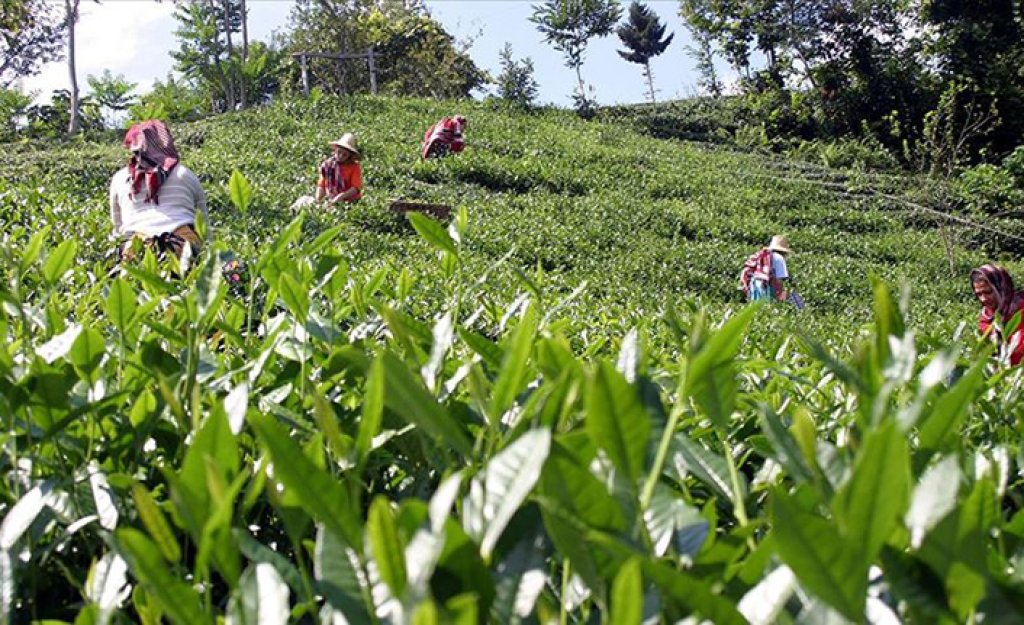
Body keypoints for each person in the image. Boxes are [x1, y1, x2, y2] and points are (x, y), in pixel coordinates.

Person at [110, 119, 208, 263]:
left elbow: (117, 228)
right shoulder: (186, 174)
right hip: (183, 245)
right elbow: (203, 223)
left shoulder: (120, 178)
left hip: (136, 247)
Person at [971, 264, 1024, 366]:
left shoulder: (1020, 310)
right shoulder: (986, 319)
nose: (983, 299)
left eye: (988, 292)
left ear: (1001, 288)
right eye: (979, 294)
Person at [740, 235, 792, 302]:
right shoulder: (779, 258)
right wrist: (780, 294)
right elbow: (779, 280)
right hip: (766, 287)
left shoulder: (762, 254)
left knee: (756, 308)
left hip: (754, 286)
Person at [315, 132, 363, 204]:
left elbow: (356, 188)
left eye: (344, 155)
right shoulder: (328, 165)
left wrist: (341, 197)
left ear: (350, 156)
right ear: (335, 150)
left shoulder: (354, 167)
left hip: (350, 201)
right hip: (331, 198)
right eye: (339, 152)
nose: (340, 156)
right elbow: (322, 184)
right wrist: (318, 199)